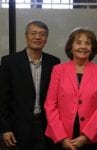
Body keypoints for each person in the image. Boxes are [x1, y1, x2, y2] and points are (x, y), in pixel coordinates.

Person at [44, 27, 97, 150]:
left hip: (93, 139)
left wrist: (86, 136)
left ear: (92, 48)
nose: (83, 47)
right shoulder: (58, 70)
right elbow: (50, 105)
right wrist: (62, 138)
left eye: (87, 43)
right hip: (61, 137)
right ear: (71, 47)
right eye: (78, 42)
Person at [0, 20, 60, 150]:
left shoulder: (54, 62)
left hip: (45, 126)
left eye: (42, 34)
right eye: (33, 33)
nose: (38, 37)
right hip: (17, 128)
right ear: (26, 36)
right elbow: (2, 99)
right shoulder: (9, 62)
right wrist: (5, 128)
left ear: (46, 38)